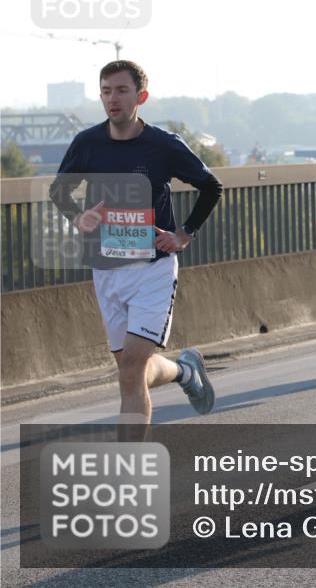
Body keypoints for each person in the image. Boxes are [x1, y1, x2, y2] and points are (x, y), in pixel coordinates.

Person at [49, 60, 223, 431]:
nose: (113, 99)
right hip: (106, 269)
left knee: (129, 372)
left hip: (153, 270)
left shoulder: (164, 146)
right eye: (106, 91)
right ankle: (184, 371)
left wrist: (185, 234)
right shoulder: (87, 143)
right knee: (132, 373)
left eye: (122, 90)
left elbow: (211, 187)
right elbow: (59, 190)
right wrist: (78, 217)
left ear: (140, 96)